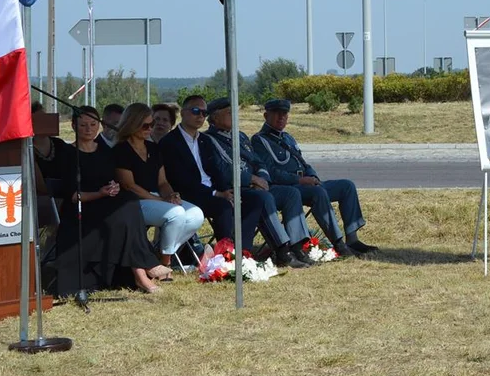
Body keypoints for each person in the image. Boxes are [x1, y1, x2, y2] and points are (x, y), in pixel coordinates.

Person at [33, 106, 168, 295]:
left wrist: (113, 188)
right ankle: (143, 270)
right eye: (83, 125)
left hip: (107, 204)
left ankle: (140, 271)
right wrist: (100, 193)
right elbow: (73, 195)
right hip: (82, 209)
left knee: (128, 202)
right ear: (73, 125)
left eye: (93, 124)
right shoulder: (67, 154)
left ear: (99, 125)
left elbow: (113, 179)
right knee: (126, 209)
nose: (88, 129)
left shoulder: (106, 151)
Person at [159, 95, 297, 263]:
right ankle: (227, 256)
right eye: (196, 111)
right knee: (223, 206)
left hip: (215, 191)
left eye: (204, 112)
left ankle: (243, 254)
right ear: (183, 112)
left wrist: (225, 190)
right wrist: (217, 193)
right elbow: (180, 178)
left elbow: (216, 171)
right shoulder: (170, 142)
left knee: (255, 199)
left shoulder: (203, 140)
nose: (200, 116)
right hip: (191, 194)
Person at [252, 99, 377, 258]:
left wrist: (312, 176)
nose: (281, 118)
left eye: (284, 114)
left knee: (347, 186)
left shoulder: (288, 138)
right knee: (317, 192)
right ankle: (339, 244)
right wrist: (300, 181)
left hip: (308, 182)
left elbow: (302, 162)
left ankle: (352, 239)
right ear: (265, 115)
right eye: (277, 114)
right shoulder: (260, 140)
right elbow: (270, 171)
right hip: (290, 187)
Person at [204, 97, 314, 267]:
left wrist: (262, 178)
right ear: (215, 117)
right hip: (234, 190)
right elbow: (220, 171)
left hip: (258, 186)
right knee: (262, 199)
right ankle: (282, 251)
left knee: (291, 193)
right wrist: (251, 179)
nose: (234, 116)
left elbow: (258, 162)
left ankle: (297, 245)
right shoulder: (208, 140)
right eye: (229, 113)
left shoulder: (240, 136)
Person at [112, 102, 205, 267]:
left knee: (196, 214)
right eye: (146, 125)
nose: (150, 128)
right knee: (175, 213)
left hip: (156, 197)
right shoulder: (121, 150)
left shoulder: (153, 148)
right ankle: (165, 264)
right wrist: (162, 201)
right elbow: (130, 186)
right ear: (133, 124)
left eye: (152, 124)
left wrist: (170, 195)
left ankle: (157, 254)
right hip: (133, 201)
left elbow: (162, 182)